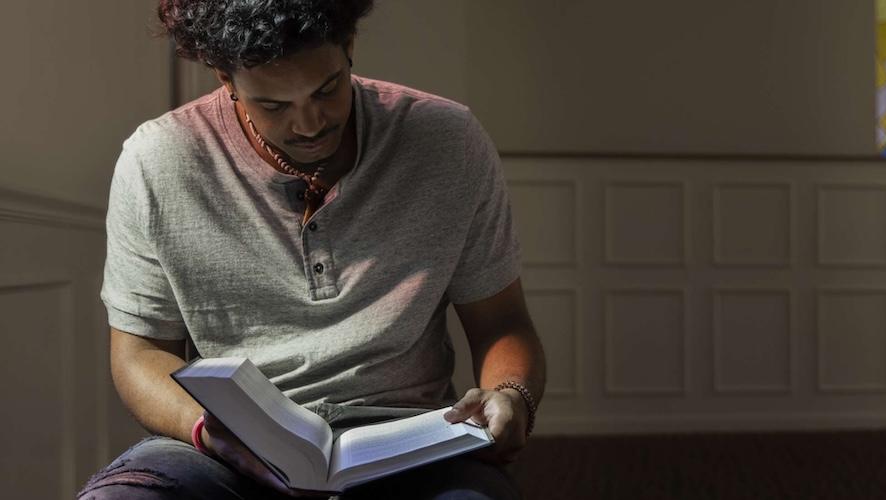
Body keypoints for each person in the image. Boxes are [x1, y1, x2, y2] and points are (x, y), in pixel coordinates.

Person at [77, 1, 546, 499]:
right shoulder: (157, 161)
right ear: (224, 77)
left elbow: (502, 322)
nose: (308, 124)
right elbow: (140, 355)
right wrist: (205, 429)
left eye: (327, 90)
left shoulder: (448, 140)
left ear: (349, 48)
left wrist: (511, 397)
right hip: (223, 443)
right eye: (273, 105)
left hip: (411, 439)